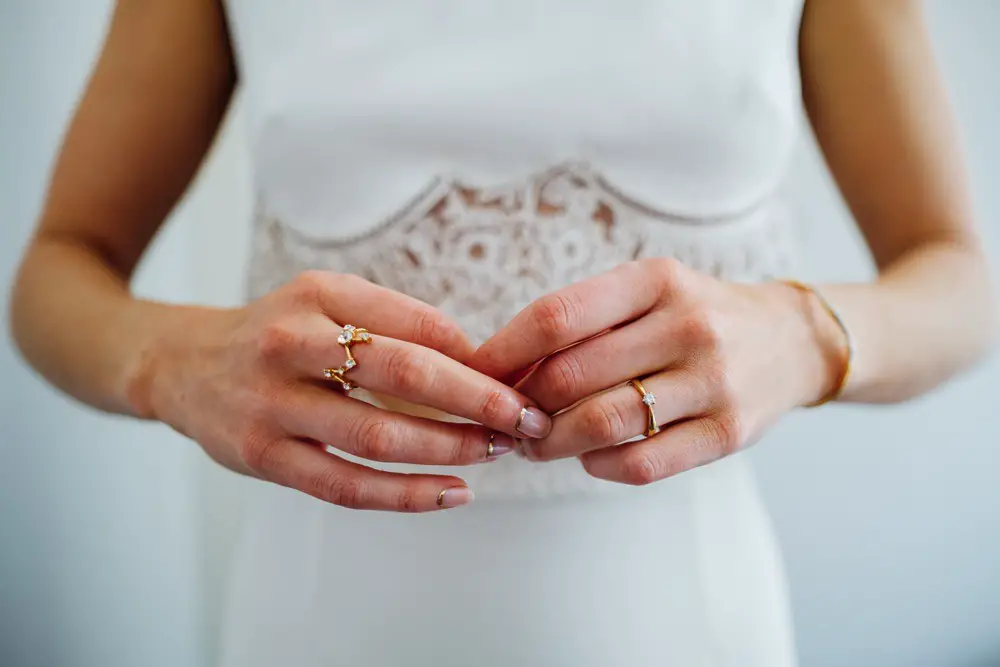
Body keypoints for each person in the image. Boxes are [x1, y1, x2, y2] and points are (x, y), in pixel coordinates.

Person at [9, 0, 997, 665]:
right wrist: (171, 362)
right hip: (326, 610)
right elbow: (61, 264)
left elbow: (958, 277)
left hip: (683, 608)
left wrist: (805, 330)